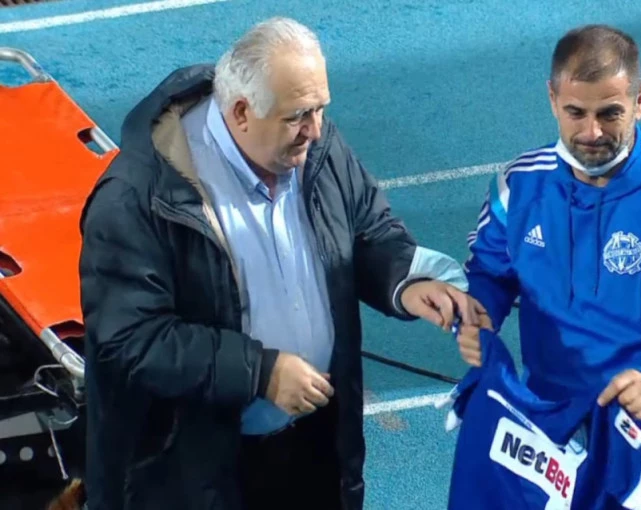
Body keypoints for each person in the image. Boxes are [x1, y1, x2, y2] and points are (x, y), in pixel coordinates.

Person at [78, 17, 485, 510]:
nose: (316, 129)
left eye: (320, 109)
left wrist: (405, 279)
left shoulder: (314, 146)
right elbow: (130, 340)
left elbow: (366, 230)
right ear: (242, 113)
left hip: (313, 448)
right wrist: (259, 372)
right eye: (299, 116)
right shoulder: (136, 197)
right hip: (195, 471)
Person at [456, 24, 641, 510]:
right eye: (576, 112)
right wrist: (476, 313)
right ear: (552, 99)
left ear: (639, 101)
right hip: (552, 439)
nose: (591, 132)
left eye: (609, 113)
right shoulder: (518, 185)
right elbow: (487, 270)